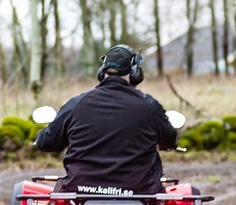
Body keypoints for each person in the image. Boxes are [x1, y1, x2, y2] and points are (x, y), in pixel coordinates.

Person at [34, 44, 178, 196]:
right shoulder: (149, 107)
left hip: (80, 194)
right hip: (141, 195)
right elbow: (170, 138)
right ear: (136, 73)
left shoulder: (77, 104)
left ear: (102, 72)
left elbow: (46, 143)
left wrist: (42, 136)